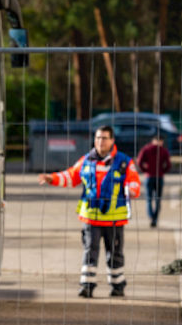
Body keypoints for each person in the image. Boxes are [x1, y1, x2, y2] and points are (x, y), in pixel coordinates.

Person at [37, 125, 141, 299]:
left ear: (112, 141)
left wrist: (131, 189)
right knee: (89, 252)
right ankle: (87, 286)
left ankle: (117, 286)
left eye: (104, 138)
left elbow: (134, 182)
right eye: (98, 138)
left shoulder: (124, 162)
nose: (100, 141)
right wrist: (52, 178)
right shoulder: (86, 160)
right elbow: (71, 176)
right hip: (91, 218)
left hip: (114, 220)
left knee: (115, 254)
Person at [136, 136, 172, 228]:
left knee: (149, 199)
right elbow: (168, 164)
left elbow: (139, 161)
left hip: (149, 177)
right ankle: (155, 218)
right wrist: (163, 171)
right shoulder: (163, 151)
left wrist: (145, 170)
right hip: (159, 177)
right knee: (158, 199)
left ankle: (151, 216)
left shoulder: (146, 149)